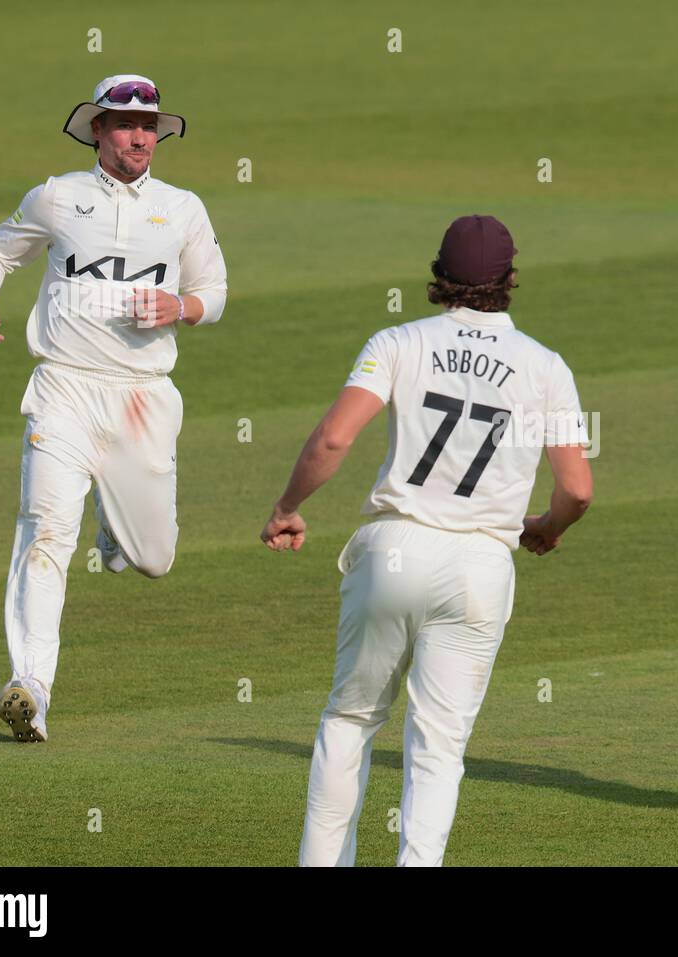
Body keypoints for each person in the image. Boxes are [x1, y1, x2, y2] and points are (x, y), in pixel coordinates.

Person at [261, 215, 593, 865]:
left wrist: (287, 506)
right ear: (509, 281)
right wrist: (546, 529)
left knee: (351, 720)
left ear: (440, 274)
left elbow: (333, 438)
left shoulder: (398, 341)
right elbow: (577, 489)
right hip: (480, 566)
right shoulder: (545, 366)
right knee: (437, 749)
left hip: (393, 550)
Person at [0, 74, 228, 742]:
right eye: (124, 125)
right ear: (98, 131)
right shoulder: (58, 197)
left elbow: (214, 289)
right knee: (45, 532)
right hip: (64, 388)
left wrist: (183, 307)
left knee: (153, 558)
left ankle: (116, 529)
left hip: (143, 398)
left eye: (149, 126)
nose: (139, 137)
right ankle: (31, 686)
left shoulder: (183, 208)